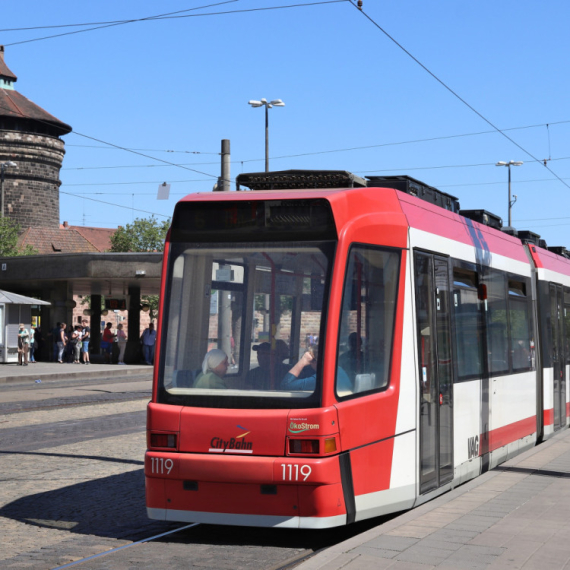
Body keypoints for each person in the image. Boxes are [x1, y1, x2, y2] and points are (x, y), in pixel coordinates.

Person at [281, 343, 352, 393]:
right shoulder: (339, 370)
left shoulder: (319, 379)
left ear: (313, 361)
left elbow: (285, 385)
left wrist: (302, 361)